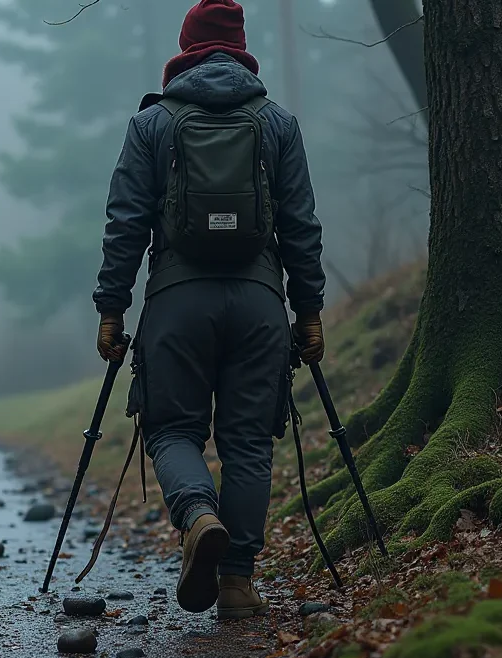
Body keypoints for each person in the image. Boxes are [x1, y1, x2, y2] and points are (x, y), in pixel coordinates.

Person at [92, 0, 326, 619]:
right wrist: (310, 312)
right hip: (257, 303)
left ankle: (197, 514)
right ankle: (237, 585)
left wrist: (112, 308)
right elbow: (301, 227)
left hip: (176, 302)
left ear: (186, 47)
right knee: (249, 441)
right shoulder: (277, 123)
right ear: (241, 48)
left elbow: (125, 224)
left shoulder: (152, 124)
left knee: (173, 430)